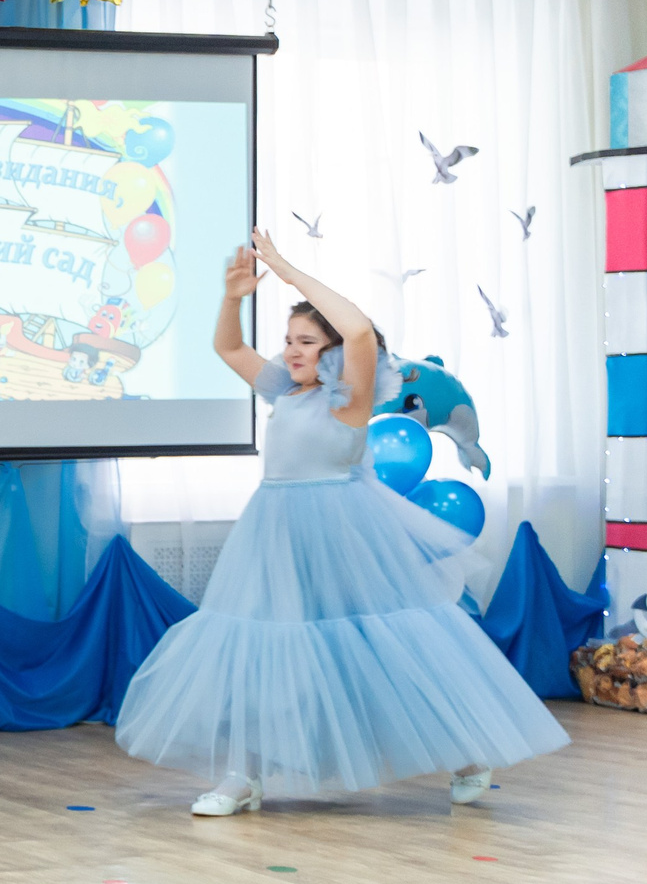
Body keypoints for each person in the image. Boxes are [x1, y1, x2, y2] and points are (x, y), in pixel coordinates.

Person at [115, 231, 568, 815]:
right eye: (288, 340)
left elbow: (357, 330)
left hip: (344, 532)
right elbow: (229, 351)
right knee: (258, 641)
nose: (292, 351)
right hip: (275, 530)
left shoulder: (348, 400)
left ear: (333, 352)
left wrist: (284, 266)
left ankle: (468, 749)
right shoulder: (287, 392)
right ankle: (243, 775)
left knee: (392, 646)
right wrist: (233, 299)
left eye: (307, 341)